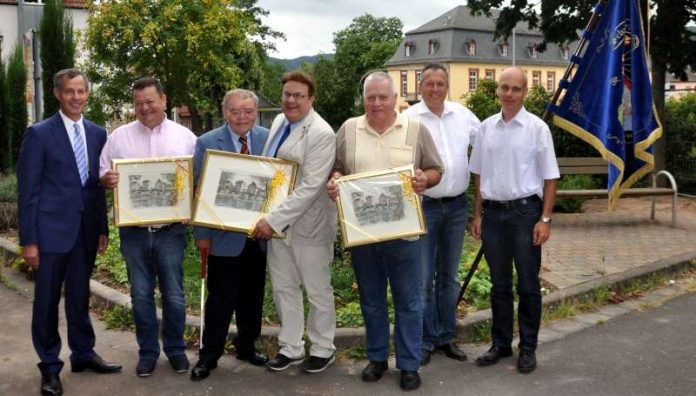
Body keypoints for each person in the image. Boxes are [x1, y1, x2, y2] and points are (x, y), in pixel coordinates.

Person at [327, 71, 443, 391]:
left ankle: (408, 364)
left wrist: (425, 180)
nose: (376, 103)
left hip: (405, 236)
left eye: (382, 96)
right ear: (363, 99)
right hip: (362, 234)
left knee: (409, 301)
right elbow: (337, 167)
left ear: (395, 98)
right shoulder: (349, 129)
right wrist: (335, 180)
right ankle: (377, 358)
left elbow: (436, 170)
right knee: (372, 299)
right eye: (370, 97)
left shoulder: (416, 128)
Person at [17, 68, 122, 396]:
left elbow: (96, 187)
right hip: (49, 235)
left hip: (85, 232)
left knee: (79, 296)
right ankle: (49, 367)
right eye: (69, 92)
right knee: (46, 301)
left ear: (87, 94)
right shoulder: (39, 134)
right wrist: (29, 240)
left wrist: (102, 228)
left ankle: (83, 353)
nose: (76, 97)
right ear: (57, 94)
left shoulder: (97, 133)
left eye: (81, 91)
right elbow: (28, 192)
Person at [99, 77, 197, 377]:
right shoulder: (118, 137)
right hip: (134, 232)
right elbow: (103, 171)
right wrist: (107, 180)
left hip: (171, 230)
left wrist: (188, 206)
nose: (144, 108)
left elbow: (197, 180)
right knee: (140, 295)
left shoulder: (186, 138)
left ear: (163, 100)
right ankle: (148, 353)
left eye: (150, 101)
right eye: (139, 102)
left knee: (174, 294)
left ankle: (176, 350)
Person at [469, 66, 559, 374]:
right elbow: (479, 174)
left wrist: (545, 219)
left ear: (524, 92)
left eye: (516, 89)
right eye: (504, 87)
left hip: (525, 214)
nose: (509, 94)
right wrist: (478, 214)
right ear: (498, 90)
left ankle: (528, 347)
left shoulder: (536, 129)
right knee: (500, 284)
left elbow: (550, 178)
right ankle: (501, 343)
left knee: (529, 285)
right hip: (493, 215)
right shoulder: (485, 128)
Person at [252, 71, 338, 374]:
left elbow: (310, 187)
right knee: (284, 288)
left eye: (299, 95)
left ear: (311, 99)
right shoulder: (278, 123)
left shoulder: (321, 133)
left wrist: (272, 220)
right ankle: (291, 347)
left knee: (316, 290)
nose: (291, 100)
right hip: (278, 227)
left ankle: (323, 348)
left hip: (308, 226)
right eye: (287, 94)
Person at [189, 89, 270, 381]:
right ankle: (209, 355)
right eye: (235, 111)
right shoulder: (207, 142)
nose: (242, 117)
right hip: (223, 239)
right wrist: (202, 233)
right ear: (225, 112)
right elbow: (199, 190)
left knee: (253, 297)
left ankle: (247, 346)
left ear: (256, 112)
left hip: (259, 237)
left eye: (248, 111)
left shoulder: (268, 138)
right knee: (220, 300)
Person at [404, 63, 480, 365]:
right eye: (429, 84)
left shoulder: (462, 116)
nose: (435, 89)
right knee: (422, 279)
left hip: (457, 207)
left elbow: (488, 145)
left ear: (447, 86)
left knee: (449, 277)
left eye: (440, 84)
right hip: (424, 207)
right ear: (420, 86)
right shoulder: (408, 119)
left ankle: (447, 336)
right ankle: (424, 340)